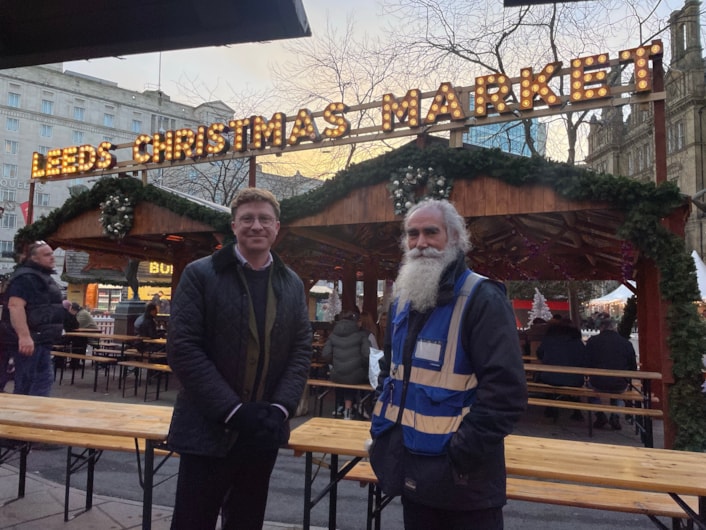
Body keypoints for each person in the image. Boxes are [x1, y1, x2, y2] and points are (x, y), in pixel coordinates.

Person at [370, 199, 527, 530]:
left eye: (431, 232)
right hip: (413, 470)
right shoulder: (403, 300)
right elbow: (391, 371)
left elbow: (505, 392)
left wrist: (461, 452)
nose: (421, 242)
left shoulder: (482, 297)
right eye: (413, 234)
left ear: (455, 238)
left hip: (464, 483)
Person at [166, 187, 312, 530]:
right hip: (207, 428)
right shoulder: (200, 274)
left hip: (262, 430)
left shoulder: (291, 283)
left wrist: (280, 408)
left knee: (246, 521)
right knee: (192, 520)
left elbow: (301, 348)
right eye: (247, 219)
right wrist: (231, 410)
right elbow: (183, 347)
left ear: (277, 227)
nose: (256, 226)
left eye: (264, 219)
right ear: (234, 226)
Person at [0, 241, 64, 396]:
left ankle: (29, 415)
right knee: (31, 384)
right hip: (31, 341)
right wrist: (24, 337)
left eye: (52, 254)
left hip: (40, 339)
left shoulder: (38, 276)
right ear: (34, 258)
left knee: (39, 382)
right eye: (47, 255)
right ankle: (22, 417)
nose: (52, 258)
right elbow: (15, 306)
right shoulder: (26, 277)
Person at [585, 312, 637, 430]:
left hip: (597, 381)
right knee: (619, 393)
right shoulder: (626, 343)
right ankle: (615, 415)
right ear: (614, 328)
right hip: (619, 382)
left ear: (601, 328)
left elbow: (586, 362)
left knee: (588, 389)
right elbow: (633, 366)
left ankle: (599, 414)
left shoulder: (593, 341)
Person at [321, 310, 371, 419]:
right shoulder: (362, 335)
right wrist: (362, 365)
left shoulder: (333, 335)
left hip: (336, 375)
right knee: (353, 375)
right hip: (357, 376)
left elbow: (325, 354)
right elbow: (367, 355)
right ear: (357, 322)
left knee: (344, 374)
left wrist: (334, 363)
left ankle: (342, 407)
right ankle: (352, 408)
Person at [536, 318, 588, 420]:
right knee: (574, 384)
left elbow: (539, 354)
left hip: (550, 377)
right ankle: (577, 411)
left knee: (548, 380)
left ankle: (550, 408)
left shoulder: (549, 339)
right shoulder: (577, 341)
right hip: (574, 379)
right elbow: (584, 358)